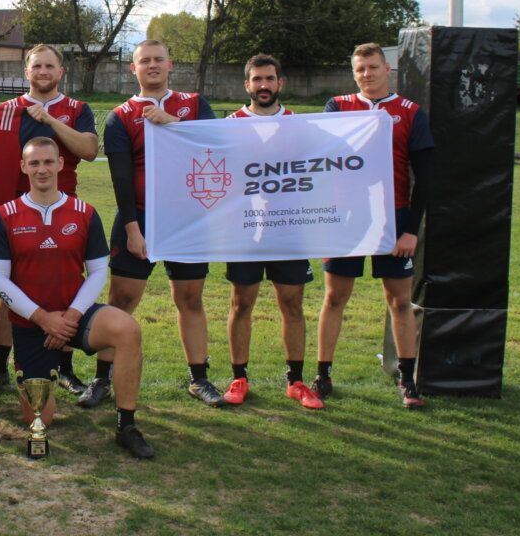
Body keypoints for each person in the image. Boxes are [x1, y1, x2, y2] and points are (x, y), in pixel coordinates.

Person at [0, 137, 154, 458]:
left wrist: (71, 316)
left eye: (48, 162)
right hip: (31, 323)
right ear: (23, 167)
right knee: (39, 418)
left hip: (75, 315)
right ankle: (40, 397)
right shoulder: (4, 215)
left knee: (128, 330)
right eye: (34, 163)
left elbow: (98, 272)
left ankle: (126, 426)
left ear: (60, 164)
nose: (42, 169)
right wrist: (43, 319)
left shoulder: (84, 213)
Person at [83, 39, 225, 408]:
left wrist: (173, 124)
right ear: (133, 69)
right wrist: (133, 228)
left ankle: (199, 379)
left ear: (170, 64)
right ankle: (101, 379)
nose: (152, 65)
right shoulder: (120, 116)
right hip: (141, 216)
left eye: (158, 59)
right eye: (144, 60)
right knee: (122, 299)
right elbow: (121, 178)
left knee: (190, 298)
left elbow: (218, 144)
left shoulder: (194, 104)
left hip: (187, 218)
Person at [316, 43, 433, 408]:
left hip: (392, 217)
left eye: (372, 67)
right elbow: (320, 159)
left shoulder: (409, 112)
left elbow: (425, 177)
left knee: (399, 300)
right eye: (360, 69)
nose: (366, 74)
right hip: (346, 217)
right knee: (335, 297)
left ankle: (407, 379)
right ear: (353, 74)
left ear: (387, 69)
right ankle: (323, 374)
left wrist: (410, 230)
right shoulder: (337, 107)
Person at [0, 44, 98, 397]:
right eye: (36, 67)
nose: (43, 72)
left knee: (64, 287)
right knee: (8, 290)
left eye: (49, 66)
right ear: (26, 72)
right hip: (16, 211)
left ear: (61, 71)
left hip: (65, 209)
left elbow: (89, 150)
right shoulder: (8, 110)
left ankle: (64, 368)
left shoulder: (77, 109)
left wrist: (49, 119)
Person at [221, 55, 322, 409]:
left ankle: (296, 381)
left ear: (280, 83)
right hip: (245, 229)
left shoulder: (299, 125)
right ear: (246, 84)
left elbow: (322, 170)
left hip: (289, 228)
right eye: (257, 79)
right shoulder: (229, 126)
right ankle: (239, 377)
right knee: (241, 303)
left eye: (269, 79)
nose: (263, 85)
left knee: (292, 303)